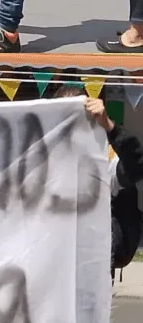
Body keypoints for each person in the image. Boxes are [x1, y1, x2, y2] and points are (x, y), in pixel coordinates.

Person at [54, 86, 143, 281]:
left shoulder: (105, 157)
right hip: (53, 266)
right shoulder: (43, 158)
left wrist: (109, 126)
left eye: (78, 119)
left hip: (93, 269)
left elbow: (136, 165)